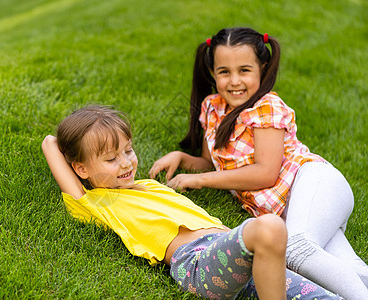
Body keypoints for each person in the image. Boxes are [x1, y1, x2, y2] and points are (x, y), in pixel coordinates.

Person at [149, 27, 368, 299]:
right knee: (350, 268)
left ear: (262, 68)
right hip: (290, 210)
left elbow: (265, 173)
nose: (234, 81)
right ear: (212, 72)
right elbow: (211, 163)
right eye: (224, 71)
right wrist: (181, 158)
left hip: (312, 183)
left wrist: (198, 181)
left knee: (296, 249)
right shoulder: (212, 107)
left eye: (244, 70)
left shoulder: (266, 106)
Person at [42, 105, 342, 299]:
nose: (125, 164)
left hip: (244, 258)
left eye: (128, 151)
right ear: (80, 169)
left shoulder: (148, 185)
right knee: (270, 229)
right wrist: (80, 133)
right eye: (110, 158)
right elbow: (50, 143)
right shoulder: (95, 202)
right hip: (199, 263)